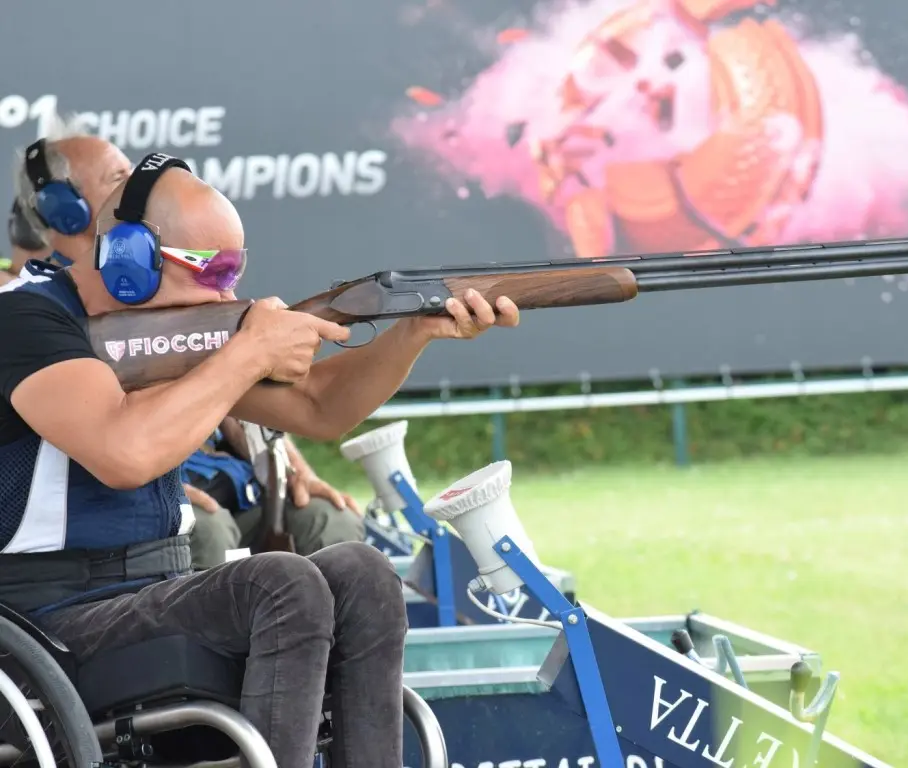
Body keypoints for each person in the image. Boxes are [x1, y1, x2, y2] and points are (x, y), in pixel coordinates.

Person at [0, 151, 519, 768]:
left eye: (235, 268)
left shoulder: (168, 331)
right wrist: (247, 352)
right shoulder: (24, 319)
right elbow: (124, 452)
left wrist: (415, 333)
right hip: (41, 618)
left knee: (363, 572)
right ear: (129, 259)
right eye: (212, 269)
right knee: (282, 582)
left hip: (157, 584)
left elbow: (321, 406)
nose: (231, 292)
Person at [186, 416, 365, 568]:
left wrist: (298, 472)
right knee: (210, 531)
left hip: (243, 493)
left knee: (332, 519)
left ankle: (322, 607)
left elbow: (250, 409)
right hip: (171, 494)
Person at [11, 117, 133, 268]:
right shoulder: (32, 292)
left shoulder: (145, 281)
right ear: (66, 208)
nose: (139, 183)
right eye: (118, 178)